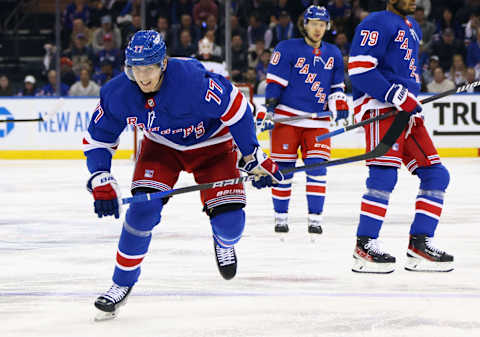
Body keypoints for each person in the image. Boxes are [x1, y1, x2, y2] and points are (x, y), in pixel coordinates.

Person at [83, 30, 284, 320]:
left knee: (230, 226)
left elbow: (237, 108)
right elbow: (98, 139)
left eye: (148, 69)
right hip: (162, 147)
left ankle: (223, 242)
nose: (142, 78)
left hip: (213, 146)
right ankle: (121, 283)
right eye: (134, 69)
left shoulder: (193, 82)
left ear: (162, 63)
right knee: (142, 211)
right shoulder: (119, 93)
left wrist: (251, 156)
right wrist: (100, 178)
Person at [348, 0, 453, 274]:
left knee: (436, 174)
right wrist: (394, 94)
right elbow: (359, 70)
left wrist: (407, 97)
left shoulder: (413, 26)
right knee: (384, 175)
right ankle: (365, 245)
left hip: (406, 108)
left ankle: (419, 245)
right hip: (379, 107)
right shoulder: (375, 22)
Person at [256, 6, 349, 235]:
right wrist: (269, 110)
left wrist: (341, 105)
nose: (318, 29)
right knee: (284, 170)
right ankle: (281, 217)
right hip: (287, 120)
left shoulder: (334, 53)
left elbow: (336, 88)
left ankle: (315, 219)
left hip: (318, 123)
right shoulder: (286, 49)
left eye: (322, 24)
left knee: (317, 169)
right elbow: (275, 83)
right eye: (314, 23)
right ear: (304, 24)